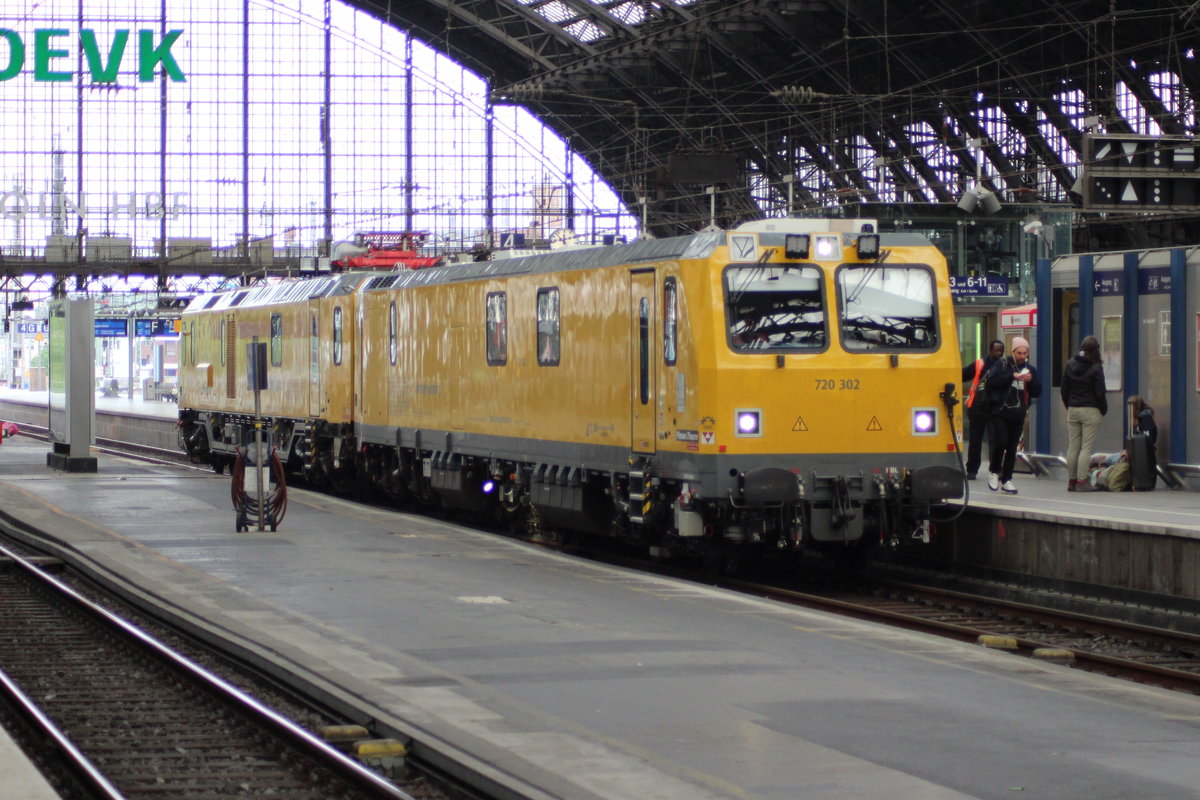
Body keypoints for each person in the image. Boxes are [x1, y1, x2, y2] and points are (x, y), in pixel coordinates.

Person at [985, 336, 1042, 494]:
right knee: (1001, 442)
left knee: (1012, 448)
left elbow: (1037, 392)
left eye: (1025, 353)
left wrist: (1030, 381)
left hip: (1018, 413)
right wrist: (1012, 376)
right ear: (1013, 352)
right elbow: (992, 382)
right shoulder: (1003, 365)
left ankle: (1007, 479)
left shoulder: (1030, 370)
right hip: (1001, 412)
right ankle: (994, 471)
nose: (1022, 356)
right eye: (1019, 353)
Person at [1060, 335, 1107, 492]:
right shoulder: (1095, 367)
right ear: (1095, 350)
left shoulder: (1070, 364)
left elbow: (1064, 389)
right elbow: (1100, 392)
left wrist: (1069, 405)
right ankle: (1082, 481)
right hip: (1090, 410)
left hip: (1073, 409)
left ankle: (1071, 481)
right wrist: (1103, 409)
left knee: (1073, 446)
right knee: (1086, 448)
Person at [960, 339, 1005, 480]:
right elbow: (964, 374)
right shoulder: (980, 364)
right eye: (997, 350)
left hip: (994, 408)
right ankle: (972, 470)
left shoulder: (1005, 365)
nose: (1000, 353)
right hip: (978, 407)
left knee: (995, 440)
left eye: (1001, 350)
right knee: (975, 440)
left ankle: (996, 470)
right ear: (990, 350)